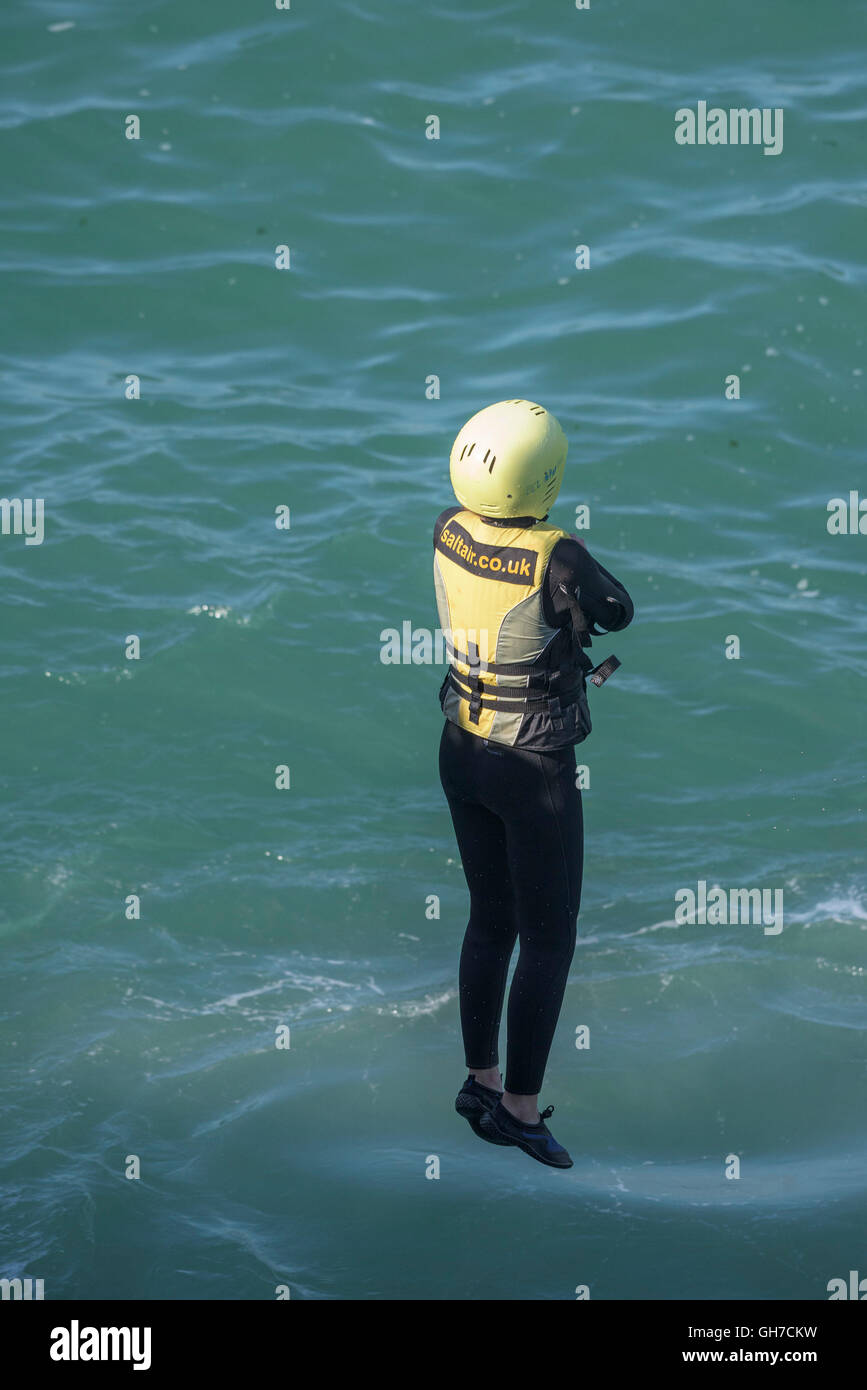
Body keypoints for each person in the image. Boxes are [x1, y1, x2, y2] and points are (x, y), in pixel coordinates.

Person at [433, 399, 634, 1169]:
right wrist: (574, 576)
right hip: (532, 768)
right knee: (549, 938)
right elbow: (617, 611)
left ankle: (478, 1083)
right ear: (544, 478)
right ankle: (518, 1108)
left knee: (490, 920)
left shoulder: (447, 526)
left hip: (461, 750)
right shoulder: (559, 556)